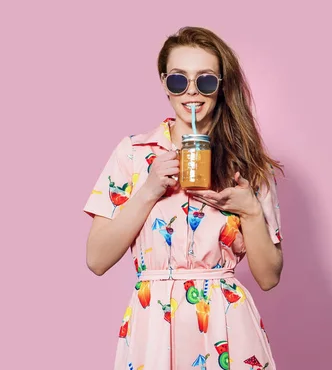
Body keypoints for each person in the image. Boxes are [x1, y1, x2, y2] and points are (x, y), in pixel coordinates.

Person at [83, 26, 284, 369]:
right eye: (179, 80)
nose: (192, 92)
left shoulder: (246, 163)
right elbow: (97, 259)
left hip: (226, 324)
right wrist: (149, 189)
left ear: (221, 86)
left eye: (205, 81)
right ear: (164, 84)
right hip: (154, 328)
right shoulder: (133, 154)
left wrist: (250, 211)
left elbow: (269, 277)